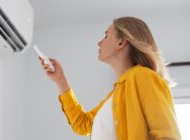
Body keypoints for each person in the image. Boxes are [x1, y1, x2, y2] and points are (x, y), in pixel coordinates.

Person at [38, 17, 181, 140]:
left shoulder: (144, 76)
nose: (99, 43)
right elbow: (83, 124)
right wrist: (60, 80)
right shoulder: (118, 92)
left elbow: (167, 136)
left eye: (106, 36)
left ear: (121, 42)